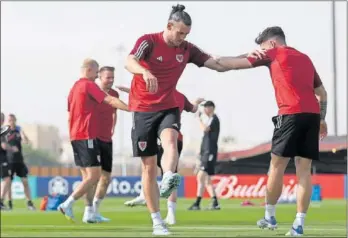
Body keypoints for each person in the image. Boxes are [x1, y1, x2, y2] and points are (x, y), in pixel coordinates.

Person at [125, 4, 260, 235]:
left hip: (168, 107)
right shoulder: (148, 41)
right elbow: (129, 61)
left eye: (186, 34)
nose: (182, 38)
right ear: (169, 26)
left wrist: (252, 59)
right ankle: (157, 221)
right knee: (148, 168)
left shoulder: (187, 49)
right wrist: (144, 71)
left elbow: (217, 64)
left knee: (170, 139)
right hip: (143, 109)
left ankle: (168, 176)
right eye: (179, 33)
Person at [212, 26, 328, 236]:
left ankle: (270, 216)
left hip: (290, 114)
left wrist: (213, 59)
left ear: (272, 44)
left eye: (262, 48)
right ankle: (299, 224)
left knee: (276, 166)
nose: (260, 52)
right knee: (304, 171)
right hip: (311, 115)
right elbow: (322, 93)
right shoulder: (305, 58)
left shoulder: (274, 53)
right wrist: (322, 119)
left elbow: (233, 65)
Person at [120, 86, 204, 225]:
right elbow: (193, 109)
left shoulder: (165, 94)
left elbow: (144, 96)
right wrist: (195, 102)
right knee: (158, 171)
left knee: (158, 171)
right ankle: (147, 197)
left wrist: (130, 90)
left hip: (164, 137)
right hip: (174, 138)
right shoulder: (180, 96)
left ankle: (167, 211)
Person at [58, 59, 128, 223]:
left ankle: (89, 212)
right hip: (86, 135)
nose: (97, 76)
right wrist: (133, 108)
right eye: (97, 73)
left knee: (89, 177)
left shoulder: (74, 87)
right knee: (95, 175)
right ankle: (67, 203)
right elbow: (110, 100)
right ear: (89, 70)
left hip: (77, 136)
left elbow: (71, 113)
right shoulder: (89, 85)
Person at [91, 66, 119, 223]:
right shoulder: (92, 92)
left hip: (107, 140)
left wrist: (113, 129)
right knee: (93, 176)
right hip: (93, 139)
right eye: (108, 77)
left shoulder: (115, 94)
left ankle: (95, 210)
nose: (111, 80)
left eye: (112, 77)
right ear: (99, 77)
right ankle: (88, 210)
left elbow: (115, 113)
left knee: (106, 177)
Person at [188, 101, 220, 211]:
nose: (205, 109)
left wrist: (199, 119)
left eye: (207, 107)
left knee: (201, 176)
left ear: (212, 108)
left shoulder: (214, 119)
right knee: (206, 179)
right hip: (205, 152)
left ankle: (197, 203)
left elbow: (206, 129)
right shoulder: (210, 119)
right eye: (204, 107)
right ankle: (215, 202)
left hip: (209, 152)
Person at [5, 114, 35, 210]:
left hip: (19, 161)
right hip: (9, 161)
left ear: (15, 120)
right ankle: (9, 203)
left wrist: (24, 136)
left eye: (13, 120)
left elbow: (26, 141)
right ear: (7, 121)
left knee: (25, 181)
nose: (11, 122)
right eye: (9, 120)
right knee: (8, 182)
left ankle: (29, 203)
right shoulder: (5, 132)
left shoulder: (19, 130)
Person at [0, 112, 11, 210]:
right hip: (2, 158)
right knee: (6, 179)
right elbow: (4, 146)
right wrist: (11, 148)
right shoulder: (2, 131)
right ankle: (1, 201)